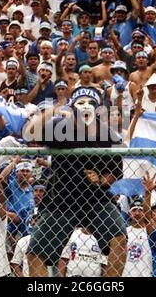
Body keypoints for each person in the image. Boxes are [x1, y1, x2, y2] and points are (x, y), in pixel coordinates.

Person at [25, 86, 127, 277]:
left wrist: (102, 181)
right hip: (61, 200)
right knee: (35, 254)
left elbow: (115, 171)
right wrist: (56, 107)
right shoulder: (59, 127)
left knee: (119, 239)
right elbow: (30, 132)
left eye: (91, 104)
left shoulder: (105, 134)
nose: (85, 108)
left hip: (96, 199)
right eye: (80, 104)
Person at [122, 198, 153, 277]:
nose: (137, 213)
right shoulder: (123, 232)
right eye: (134, 210)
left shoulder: (152, 233)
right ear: (129, 213)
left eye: (140, 210)